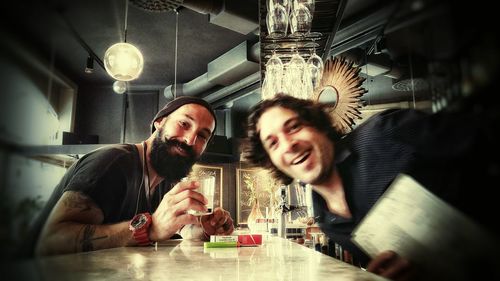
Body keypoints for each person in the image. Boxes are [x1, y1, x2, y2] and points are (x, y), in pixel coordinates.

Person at [243, 92, 499, 281]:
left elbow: (487, 134)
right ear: (272, 162)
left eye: (294, 127)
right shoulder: (327, 221)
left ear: (319, 127)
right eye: (273, 143)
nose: (288, 145)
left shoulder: (384, 133)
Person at [24, 96, 234, 257]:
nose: (190, 139)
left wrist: (204, 229)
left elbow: (176, 231)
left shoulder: (166, 181)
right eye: (184, 124)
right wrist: (149, 228)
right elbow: (50, 242)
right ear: (159, 122)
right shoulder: (113, 162)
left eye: (202, 136)